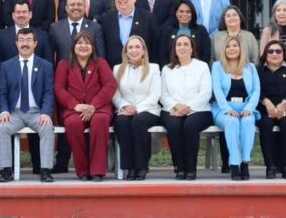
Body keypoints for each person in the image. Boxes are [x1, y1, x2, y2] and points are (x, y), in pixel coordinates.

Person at [49, 0, 105, 173]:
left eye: (79, 5)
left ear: (85, 7)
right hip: (66, 83)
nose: (75, 7)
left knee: (92, 123)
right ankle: (62, 162)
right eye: (72, 5)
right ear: (65, 8)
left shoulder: (95, 28)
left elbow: (100, 55)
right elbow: (50, 56)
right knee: (68, 124)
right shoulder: (55, 27)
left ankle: (91, 165)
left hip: (91, 83)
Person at [54, 31, 117, 181]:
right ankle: (82, 171)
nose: (83, 46)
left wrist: (93, 106)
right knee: (73, 123)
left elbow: (110, 85)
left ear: (93, 47)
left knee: (100, 121)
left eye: (87, 43)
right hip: (74, 109)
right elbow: (59, 88)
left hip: (99, 108)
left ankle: (97, 171)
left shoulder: (100, 63)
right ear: (73, 46)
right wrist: (74, 105)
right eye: (79, 43)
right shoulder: (64, 64)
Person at [0, 28, 55, 183]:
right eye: (21, 40)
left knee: (47, 127)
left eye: (29, 40)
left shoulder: (46, 66)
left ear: (35, 43)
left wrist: (45, 113)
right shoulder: (6, 66)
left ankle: (45, 170)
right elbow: (2, 92)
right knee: (2, 127)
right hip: (14, 113)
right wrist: (4, 111)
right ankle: (6, 170)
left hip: (37, 113)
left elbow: (48, 92)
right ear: (16, 43)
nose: (25, 44)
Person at [160, 35, 212, 180]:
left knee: (190, 125)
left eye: (185, 44)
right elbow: (163, 94)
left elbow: (206, 92)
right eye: (179, 44)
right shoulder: (167, 69)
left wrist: (188, 108)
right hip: (172, 109)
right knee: (173, 125)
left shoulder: (202, 66)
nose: (182, 47)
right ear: (174, 49)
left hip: (199, 109)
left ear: (191, 48)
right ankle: (179, 166)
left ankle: (191, 167)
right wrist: (176, 106)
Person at [211, 36, 260, 181]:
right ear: (224, 50)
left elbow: (256, 90)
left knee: (247, 122)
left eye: (234, 46)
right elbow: (217, 90)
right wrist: (227, 109)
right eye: (228, 46)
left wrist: (249, 108)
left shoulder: (250, 67)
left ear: (240, 49)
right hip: (223, 108)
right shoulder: (217, 66)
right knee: (231, 122)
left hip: (246, 107)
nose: (231, 49)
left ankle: (245, 163)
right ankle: (234, 164)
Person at [112, 36, 161, 180]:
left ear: (143, 50)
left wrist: (136, 109)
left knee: (138, 121)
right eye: (131, 47)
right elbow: (115, 95)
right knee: (121, 122)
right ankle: (130, 166)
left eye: (138, 47)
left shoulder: (153, 68)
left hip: (148, 109)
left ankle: (141, 166)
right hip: (125, 109)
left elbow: (155, 94)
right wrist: (125, 106)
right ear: (126, 52)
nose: (134, 50)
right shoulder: (117, 69)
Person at [257, 40, 286, 179]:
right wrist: (266, 102)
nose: (274, 54)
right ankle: (270, 166)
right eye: (271, 51)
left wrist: (284, 104)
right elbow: (255, 90)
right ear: (265, 54)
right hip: (265, 109)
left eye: (278, 51)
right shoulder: (258, 69)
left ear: (283, 53)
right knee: (266, 125)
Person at [98, 0, 158, 67]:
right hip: (114, 69)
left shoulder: (148, 17)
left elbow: (155, 45)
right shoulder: (106, 20)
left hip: (142, 68)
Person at [158, 0, 211, 65]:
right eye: (181, 11)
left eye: (188, 12)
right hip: (172, 69)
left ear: (192, 14)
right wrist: (169, 69)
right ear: (176, 13)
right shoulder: (167, 31)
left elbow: (206, 55)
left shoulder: (201, 30)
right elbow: (162, 56)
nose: (184, 14)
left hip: (196, 69)